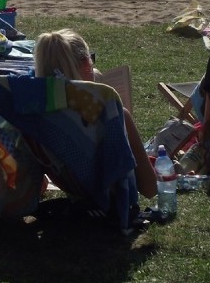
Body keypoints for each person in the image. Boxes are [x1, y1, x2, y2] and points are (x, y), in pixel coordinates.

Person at [33, 29, 157, 200]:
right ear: (84, 63)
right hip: (111, 202)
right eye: (91, 58)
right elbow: (150, 189)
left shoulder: (34, 113)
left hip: (72, 188)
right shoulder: (113, 116)